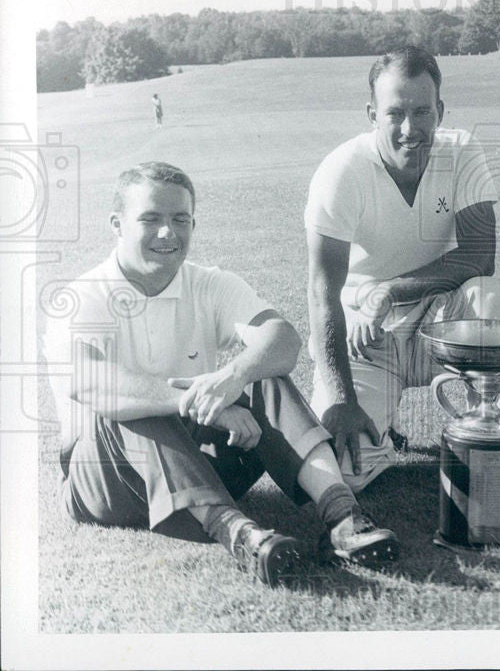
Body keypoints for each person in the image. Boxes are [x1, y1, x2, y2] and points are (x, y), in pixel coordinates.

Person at [44, 162, 398, 589]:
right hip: (105, 480)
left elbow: (282, 339)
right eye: (151, 218)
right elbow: (89, 383)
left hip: (197, 464)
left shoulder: (208, 283)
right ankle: (240, 535)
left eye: (180, 219)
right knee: (132, 407)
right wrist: (200, 400)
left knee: (264, 377)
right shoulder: (83, 295)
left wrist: (230, 379)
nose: (167, 233)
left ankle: (344, 518)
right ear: (117, 224)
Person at [305, 45, 500, 489]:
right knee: (348, 471)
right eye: (394, 113)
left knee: (488, 293)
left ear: (440, 110)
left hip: (440, 319)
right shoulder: (341, 170)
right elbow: (322, 293)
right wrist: (341, 398)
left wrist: (393, 290)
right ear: (371, 113)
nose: (409, 128)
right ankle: (378, 414)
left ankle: (495, 435)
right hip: (367, 331)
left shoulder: (462, 150)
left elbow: (479, 256)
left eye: (422, 112)